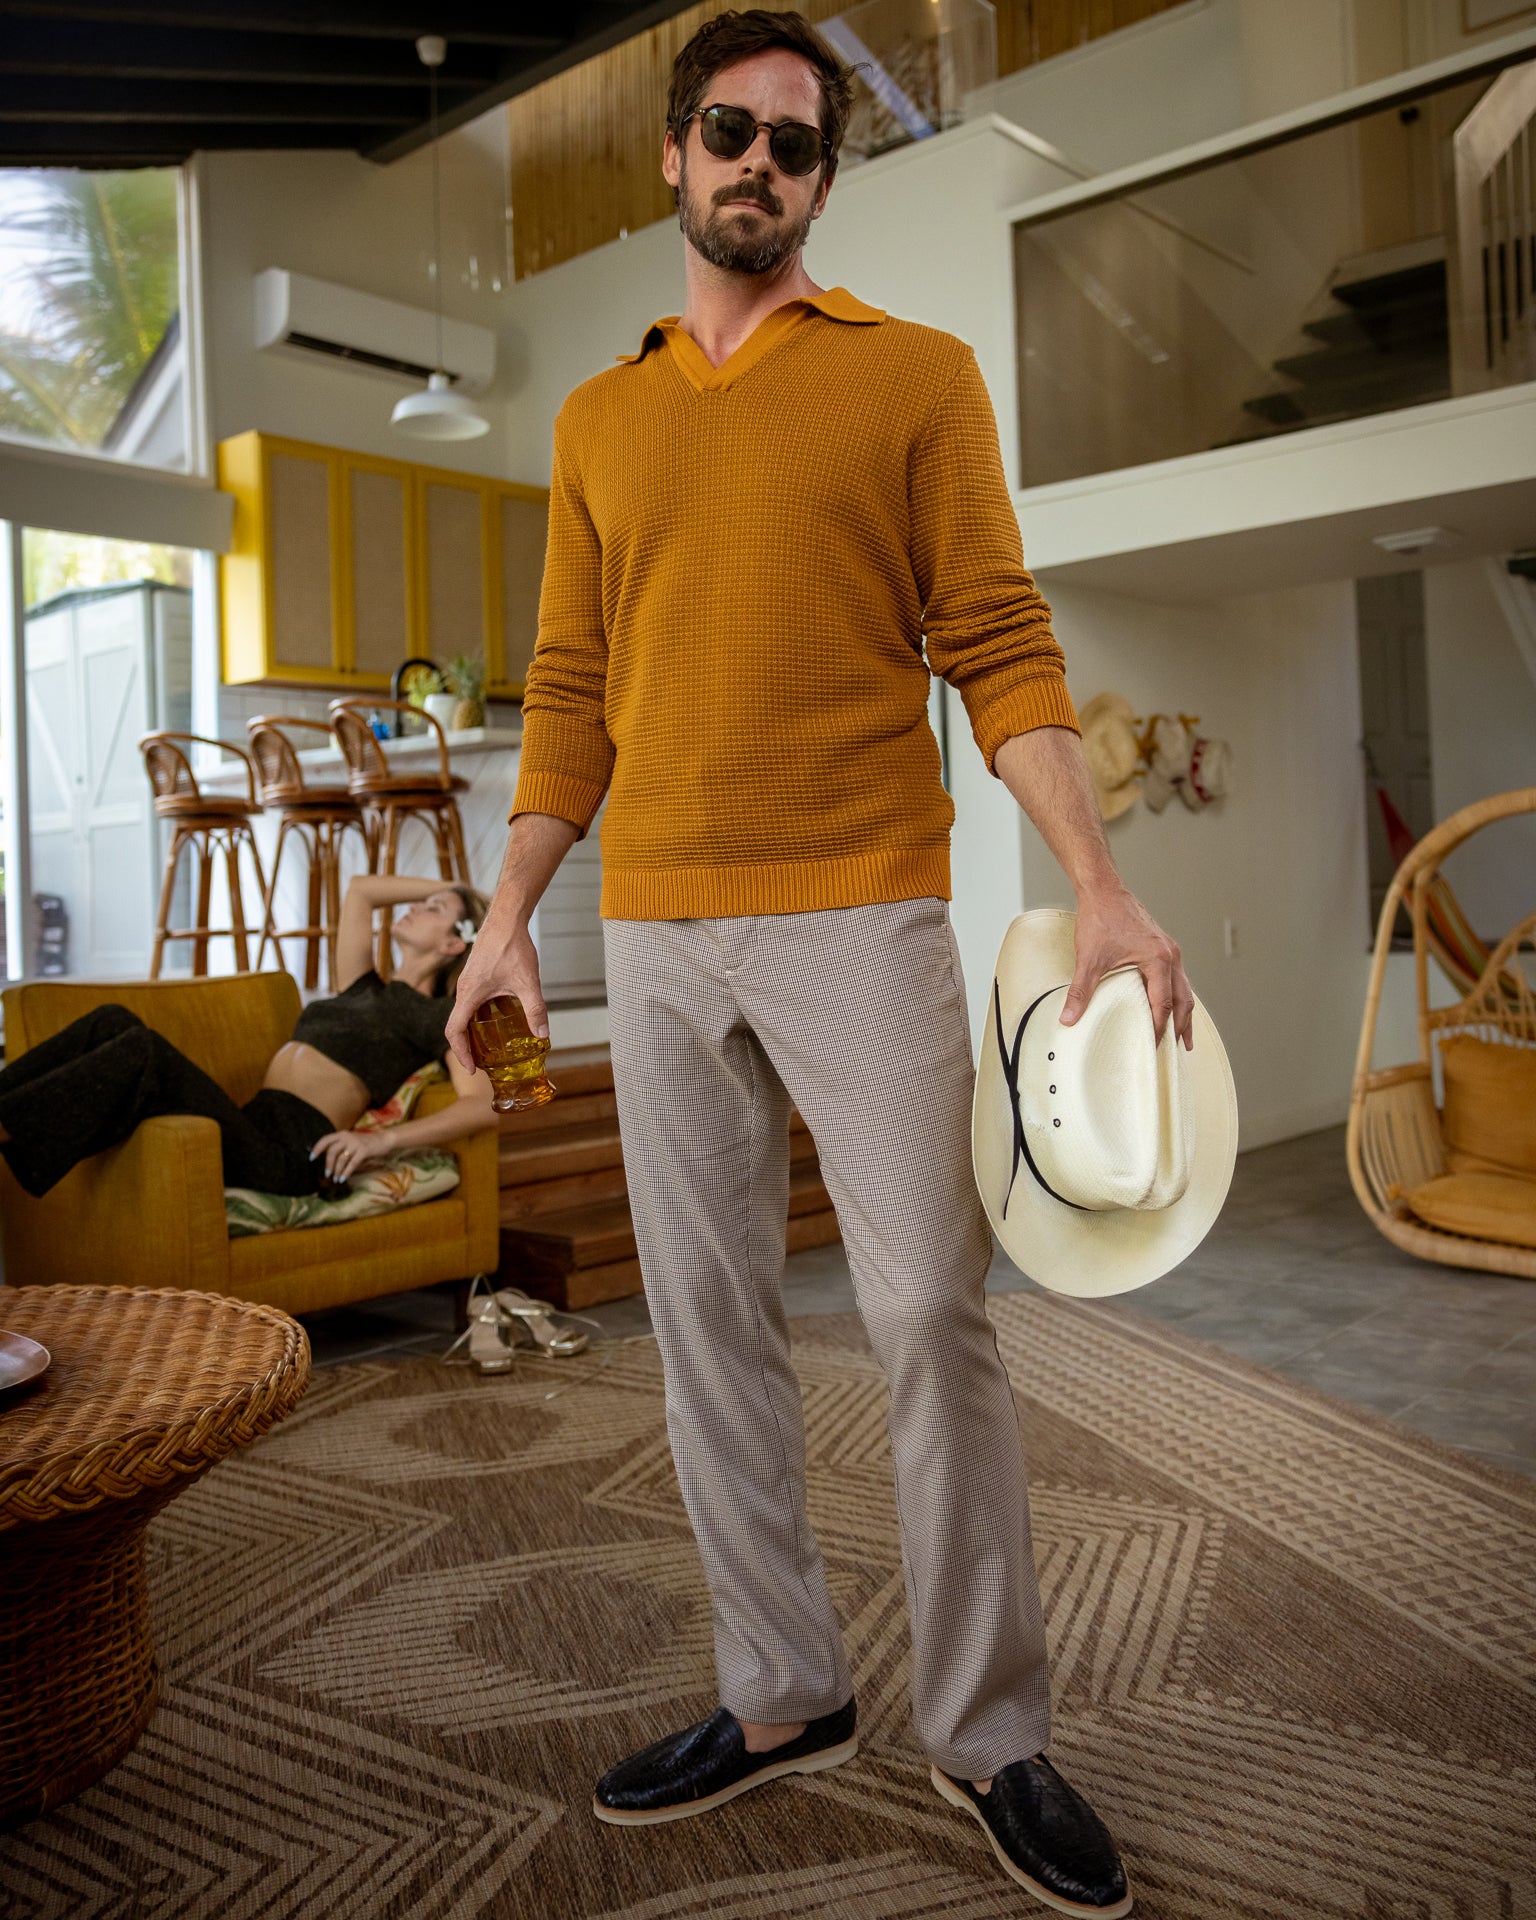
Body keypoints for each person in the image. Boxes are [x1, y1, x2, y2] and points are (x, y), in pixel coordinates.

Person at [448, 11, 1193, 1912]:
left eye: (796, 143)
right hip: (656, 928)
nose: (759, 165)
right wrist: (510, 916)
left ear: (822, 183)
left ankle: (992, 1732)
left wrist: (1099, 883)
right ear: (674, 152)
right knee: (704, 1325)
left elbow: (1000, 641)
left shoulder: (915, 376)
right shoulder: (597, 420)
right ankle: (781, 1693)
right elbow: (569, 689)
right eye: (732, 130)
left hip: (860, 908)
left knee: (929, 1314)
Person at [0, 876, 497, 1202]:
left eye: (433, 909)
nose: (414, 906)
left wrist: (380, 1139)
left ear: (453, 942)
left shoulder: (437, 1016)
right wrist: (455, 889)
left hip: (290, 1156)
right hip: (253, 1123)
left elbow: (481, 1106)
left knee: (144, 1052)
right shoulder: (362, 986)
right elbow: (361, 891)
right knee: (113, 1019)